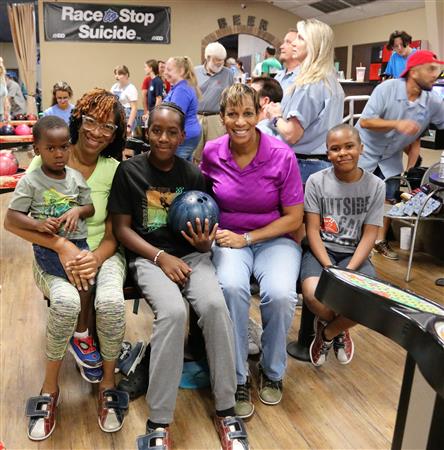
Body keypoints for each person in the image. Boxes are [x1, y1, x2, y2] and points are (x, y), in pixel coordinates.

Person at [108, 103, 249, 450]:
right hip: (150, 258)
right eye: (156, 130)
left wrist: (204, 244)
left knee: (215, 306)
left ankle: (226, 408)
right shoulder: (129, 171)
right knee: (172, 312)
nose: (163, 138)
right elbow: (122, 229)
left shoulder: (192, 175)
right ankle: (159, 420)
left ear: (182, 136)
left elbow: (206, 230)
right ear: (146, 132)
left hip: (192, 257)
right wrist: (160, 257)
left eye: (172, 132)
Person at [4, 88, 128, 439]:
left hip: (102, 255)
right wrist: (61, 245)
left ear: (115, 134)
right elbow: (13, 222)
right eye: (91, 121)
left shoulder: (115, 171)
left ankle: (108, 386)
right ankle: (49, 390)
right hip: (51, 254)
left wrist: (93, 258)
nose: (97, 131)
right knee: (65, 302)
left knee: (110, 302)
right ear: (77, 121)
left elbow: (113, 233)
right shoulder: (47, 158)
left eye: (107, 126)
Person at [201, 84, 304, 419]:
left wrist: (247, 238)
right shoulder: (212, 152)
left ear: (260, 114)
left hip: (275, 239)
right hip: (229, 237)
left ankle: (272, 371)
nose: (240, 121)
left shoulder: (281, 154)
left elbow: (294, 218)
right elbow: (202, 199)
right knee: (231, 288)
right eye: (232, 114)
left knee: (281, 294)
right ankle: (238, 377)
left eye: (248, 113)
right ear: (222, 117)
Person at [6, 114, 101, 379]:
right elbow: (13, 216)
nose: (59, 154)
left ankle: (81, 334)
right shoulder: (30, 181)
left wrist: (78, 211)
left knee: (87, 282)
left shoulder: (76, 177)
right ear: (36, 150)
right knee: (75, 286)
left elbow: (90, 208)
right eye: (51, 148)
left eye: (64, 147)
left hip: (80, 242)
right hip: (49, 249)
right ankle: (72, 336)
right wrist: (37, 225)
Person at [301, 124, 385, 367]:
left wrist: (348, 270)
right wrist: (329, 268)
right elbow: (312, 230)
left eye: (349, 146)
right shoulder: (316, 181)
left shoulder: (376, 185)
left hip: (355, 254)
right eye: (335, 149)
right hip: (321, 252)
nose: (343, 153)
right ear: (327, 153)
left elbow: (370, 234)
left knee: (371, 302)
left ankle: (329, 332)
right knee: (312, 293)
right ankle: (339, 325)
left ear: (361, 148)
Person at [356, 50, 444, 260]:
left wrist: (411, 167)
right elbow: (366, 121)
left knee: (387, 199)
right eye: (431, 69)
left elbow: (419, 137)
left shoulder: (433, 101)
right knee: (357, 198)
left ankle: (379, 242)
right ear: (413, 71)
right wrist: (396, 124)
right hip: (365, 151)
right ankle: (351, 240)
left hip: (391, 157)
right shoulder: (386, 89)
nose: (436, 74)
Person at [265, 19, 345, 184]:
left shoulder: (309, 84)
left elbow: (291, 134)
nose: (294, 43)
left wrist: (275, 116)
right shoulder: (331, 80)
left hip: (305, 166)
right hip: (324, 165)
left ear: (314, 45)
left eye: (300, 38)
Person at [193, 42, 234, 164]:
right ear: (207, 57)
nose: (220, 63)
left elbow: (232, 98)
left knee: (216, 154)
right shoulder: (195, 72)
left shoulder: (228, 73)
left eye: (222, 60)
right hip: (197, 117)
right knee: (195, 154)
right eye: (217, 59)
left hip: (216, 119)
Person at [163, 56, 202, 161]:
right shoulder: (179, 87)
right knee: (184, 167)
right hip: (188, 134)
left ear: (181, 71)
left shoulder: (182, 90)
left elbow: (175, 117)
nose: (165, 73)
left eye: (169, 69)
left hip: (185, 136)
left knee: (174, 166)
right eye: (165, 69)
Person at [111, 65, 138, 135]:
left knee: (124, 139)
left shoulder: (131, 88)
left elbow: (134, 108)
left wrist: (129, 125)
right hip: (116, 115)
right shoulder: (114, 87)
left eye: (119, 74)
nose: (117, 76)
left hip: (127, 116)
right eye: (116, 74)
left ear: (126, 75)